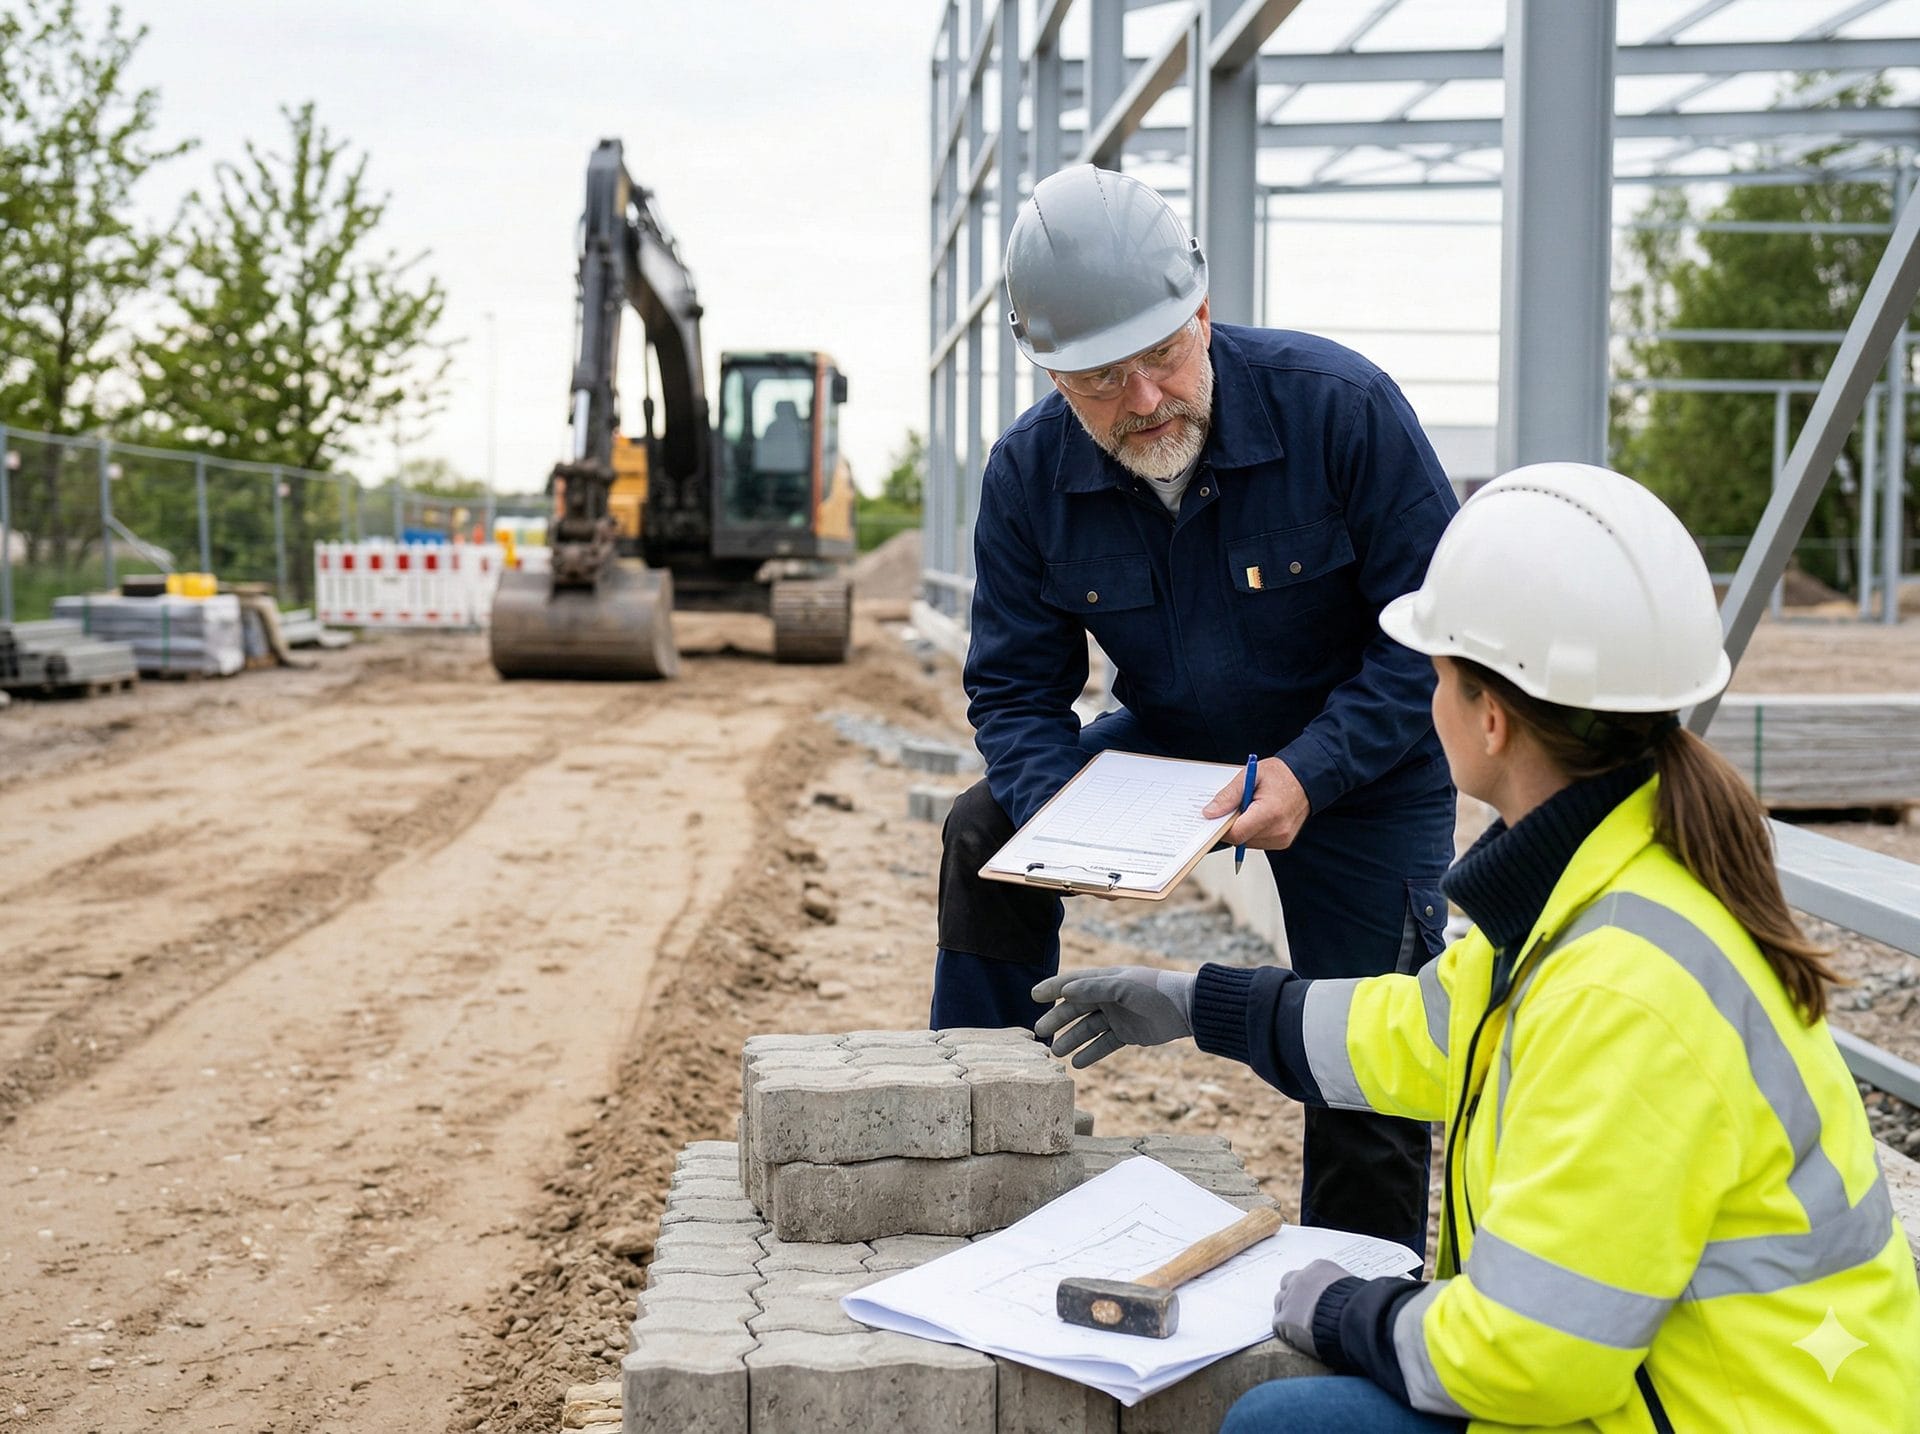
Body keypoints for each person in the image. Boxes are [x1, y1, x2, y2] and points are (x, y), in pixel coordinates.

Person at [1034, 463, 1920, 1433]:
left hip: (1704, 1413)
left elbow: (1533, 1362)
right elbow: (1426, 1027)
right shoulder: (1600, 889)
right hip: (1681, 1391)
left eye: (1437, 674)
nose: (1427, 697)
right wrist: (1201, 1002)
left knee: (1281, 1425)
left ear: (1490, 719)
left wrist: (1343, 1308)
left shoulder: (1618, 991)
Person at [934, 163, 1459, 1255]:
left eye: (1163, 358)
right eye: (1099, 381)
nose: (1144, 401)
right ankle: (979, 1135)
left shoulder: (1342, 411)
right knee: (984, 829)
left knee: (1364, 1055)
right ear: (1047, 369)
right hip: (1179, 744)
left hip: (1360, 766)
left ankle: (1359, 1297)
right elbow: (1015, 685)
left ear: (1202, 313)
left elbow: (1428, 644)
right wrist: (1059, 817)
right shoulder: (1029, 474)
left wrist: (1312, 774)